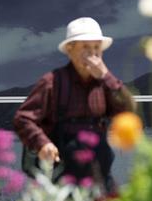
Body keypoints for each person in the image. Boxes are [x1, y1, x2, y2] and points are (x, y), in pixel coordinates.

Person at [13, 17, 135, 190]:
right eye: (85, 47)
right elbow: (23, 119)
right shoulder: (52, 82)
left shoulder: (105, 84)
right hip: (62, 179)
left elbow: (128, 110)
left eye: (96, 47)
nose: (92, 53)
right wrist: (42, 143)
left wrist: (106, 75)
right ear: (70, 50)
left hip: (100, 176)